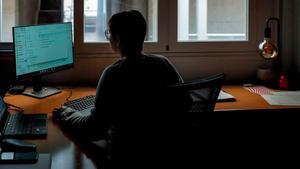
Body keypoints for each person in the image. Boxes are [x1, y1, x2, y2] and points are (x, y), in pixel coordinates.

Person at [53, 10, 184, 167]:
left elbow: (93, 129)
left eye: (109, 34)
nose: (108, 38)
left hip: (123, 156)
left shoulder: (112, 74)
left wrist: (67, 114)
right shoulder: (164, 64)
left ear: (118, 40)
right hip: (162, 152)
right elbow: (186, 102)